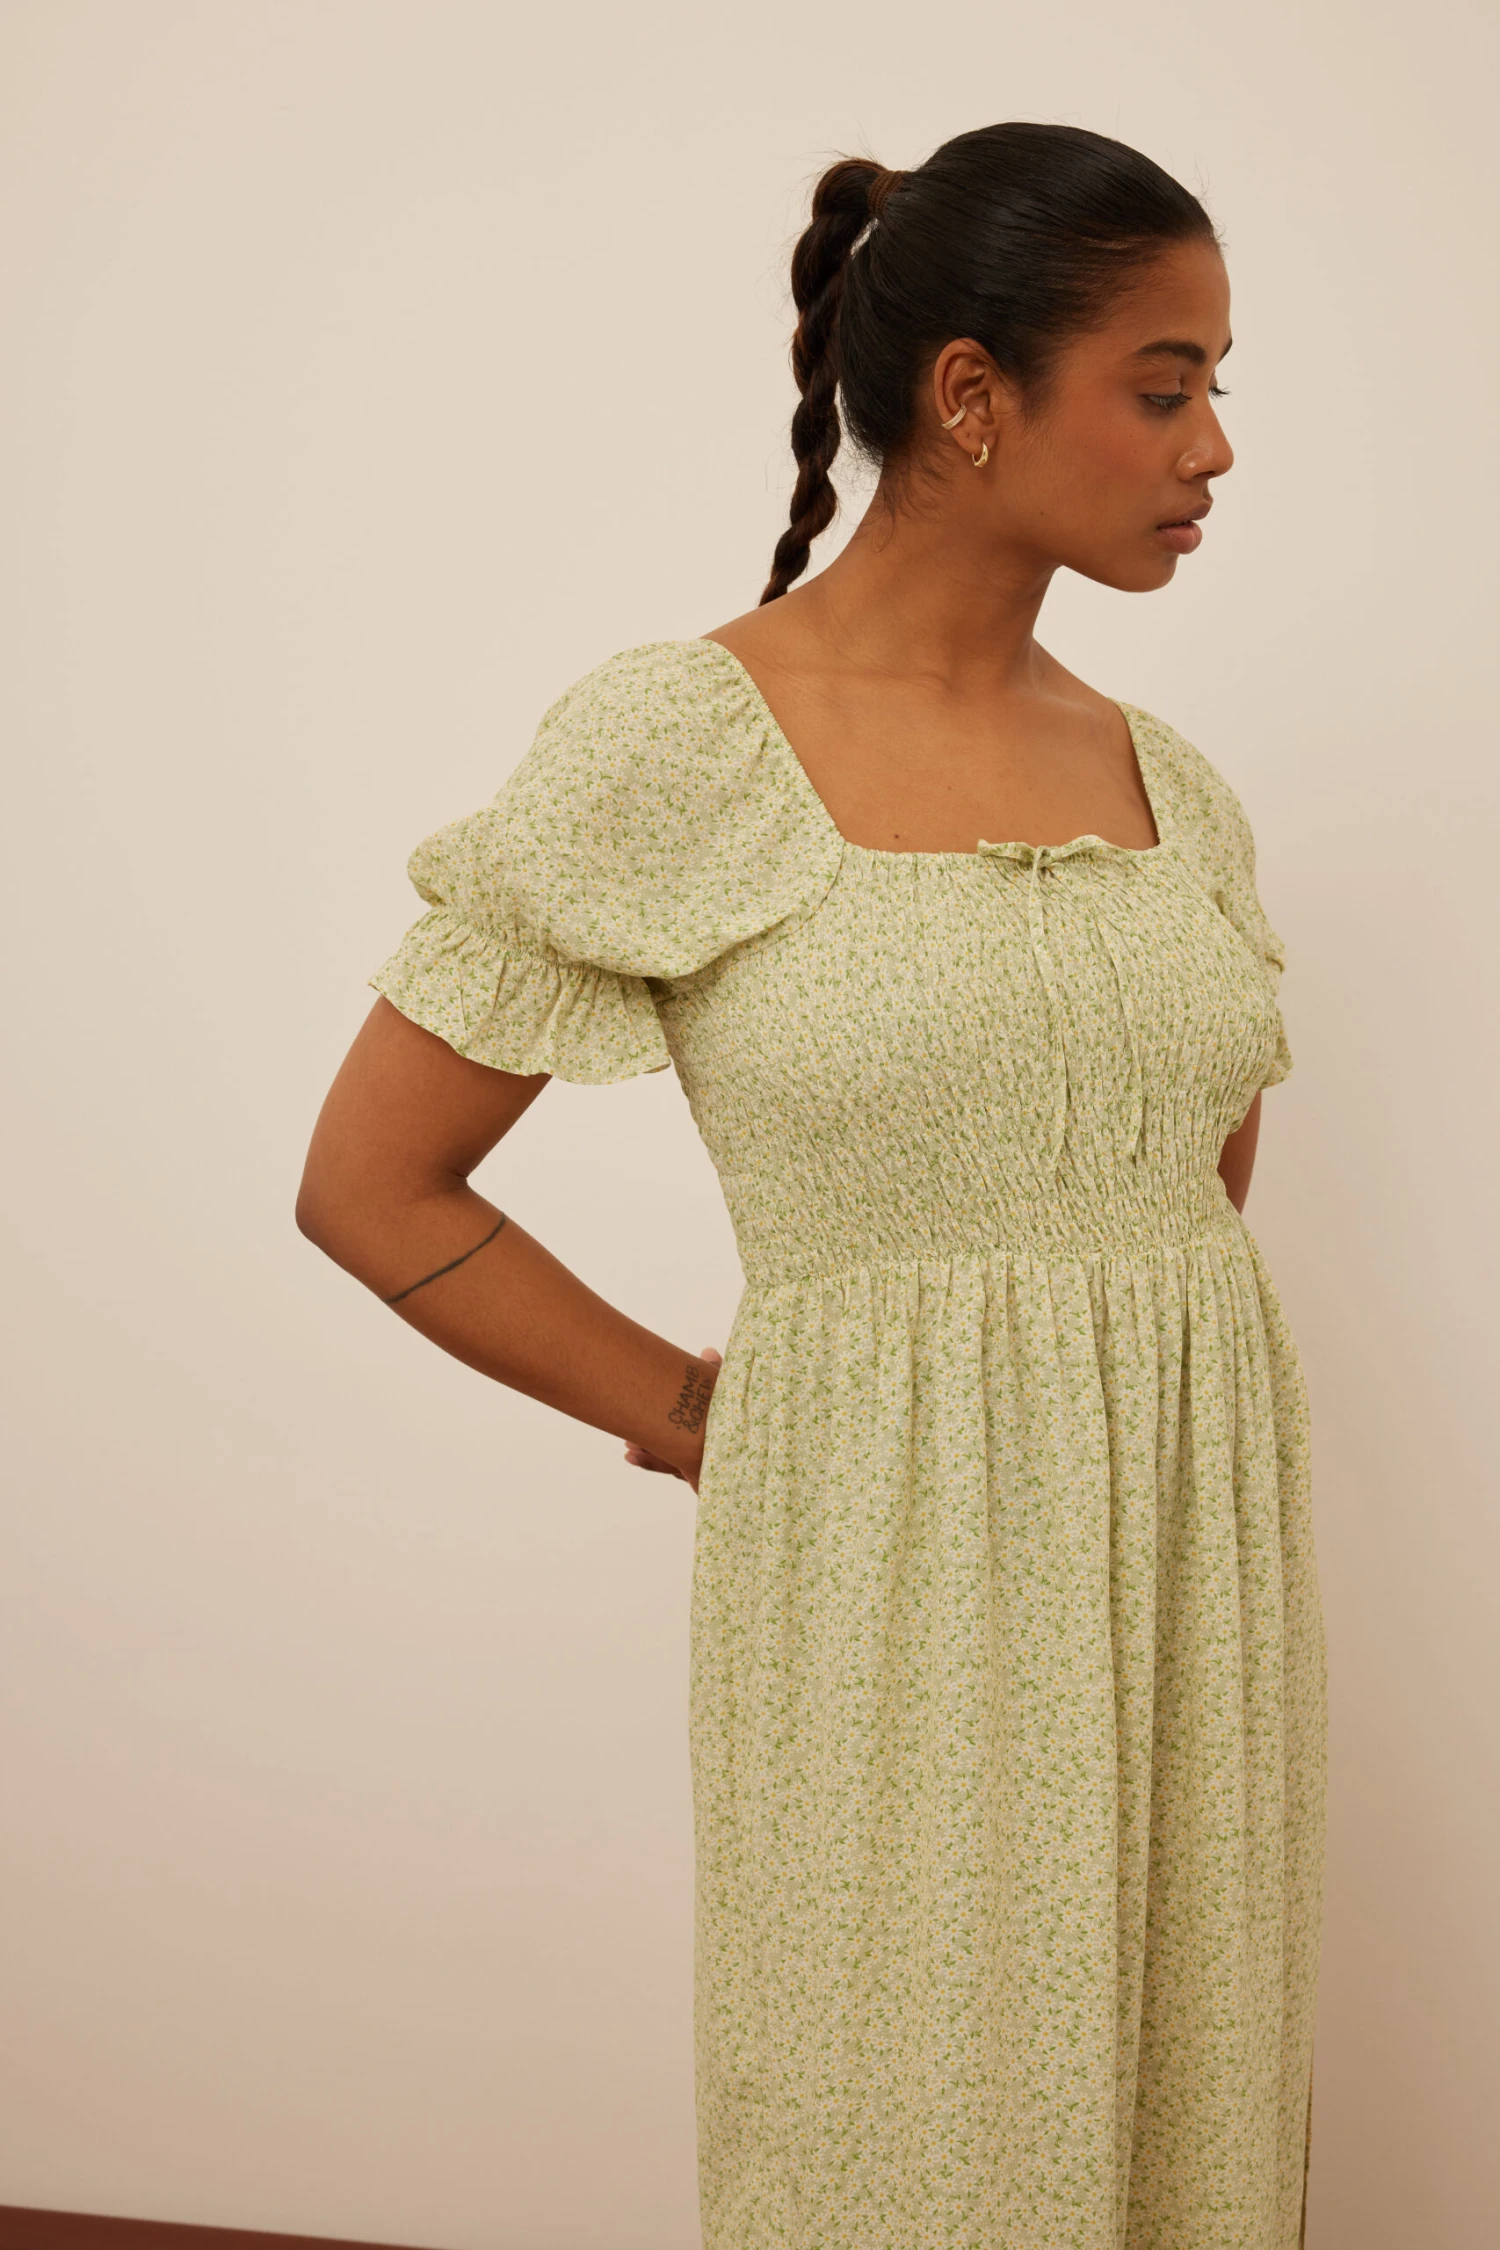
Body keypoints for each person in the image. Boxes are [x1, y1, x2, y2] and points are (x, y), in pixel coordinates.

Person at [297, 120, 1327, 2250]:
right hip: (887, 1580)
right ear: (971, 395)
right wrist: (701, 1413)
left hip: (1195, 1572)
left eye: (1217, 387)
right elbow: (376, 1183)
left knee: (1191, 2122)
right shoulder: (684, 743)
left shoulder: (1173, 783)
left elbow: (1191, 1179)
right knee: (908, 2134)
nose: (1213, 445)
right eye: (1163, 386)